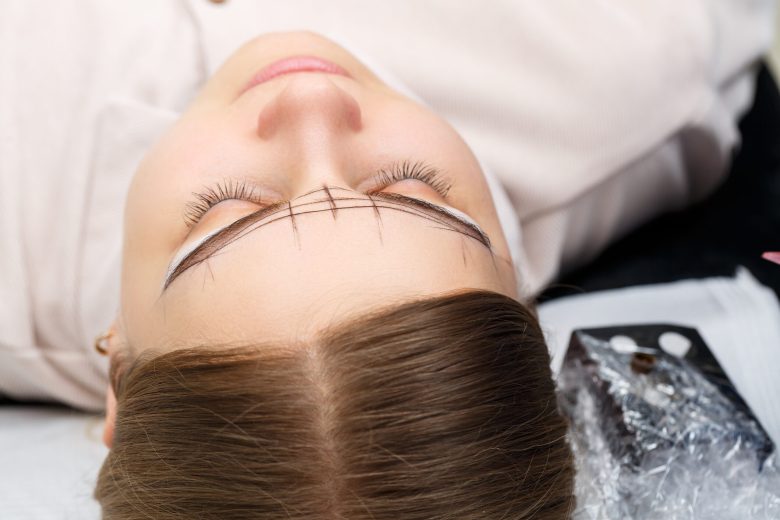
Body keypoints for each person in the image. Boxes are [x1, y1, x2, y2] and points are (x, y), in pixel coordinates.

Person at [0, 2, 774, 518]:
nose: (310, 101)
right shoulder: (620, 68)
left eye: (226, 209)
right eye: (414, 188)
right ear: (520, 302)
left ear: (118, 374)